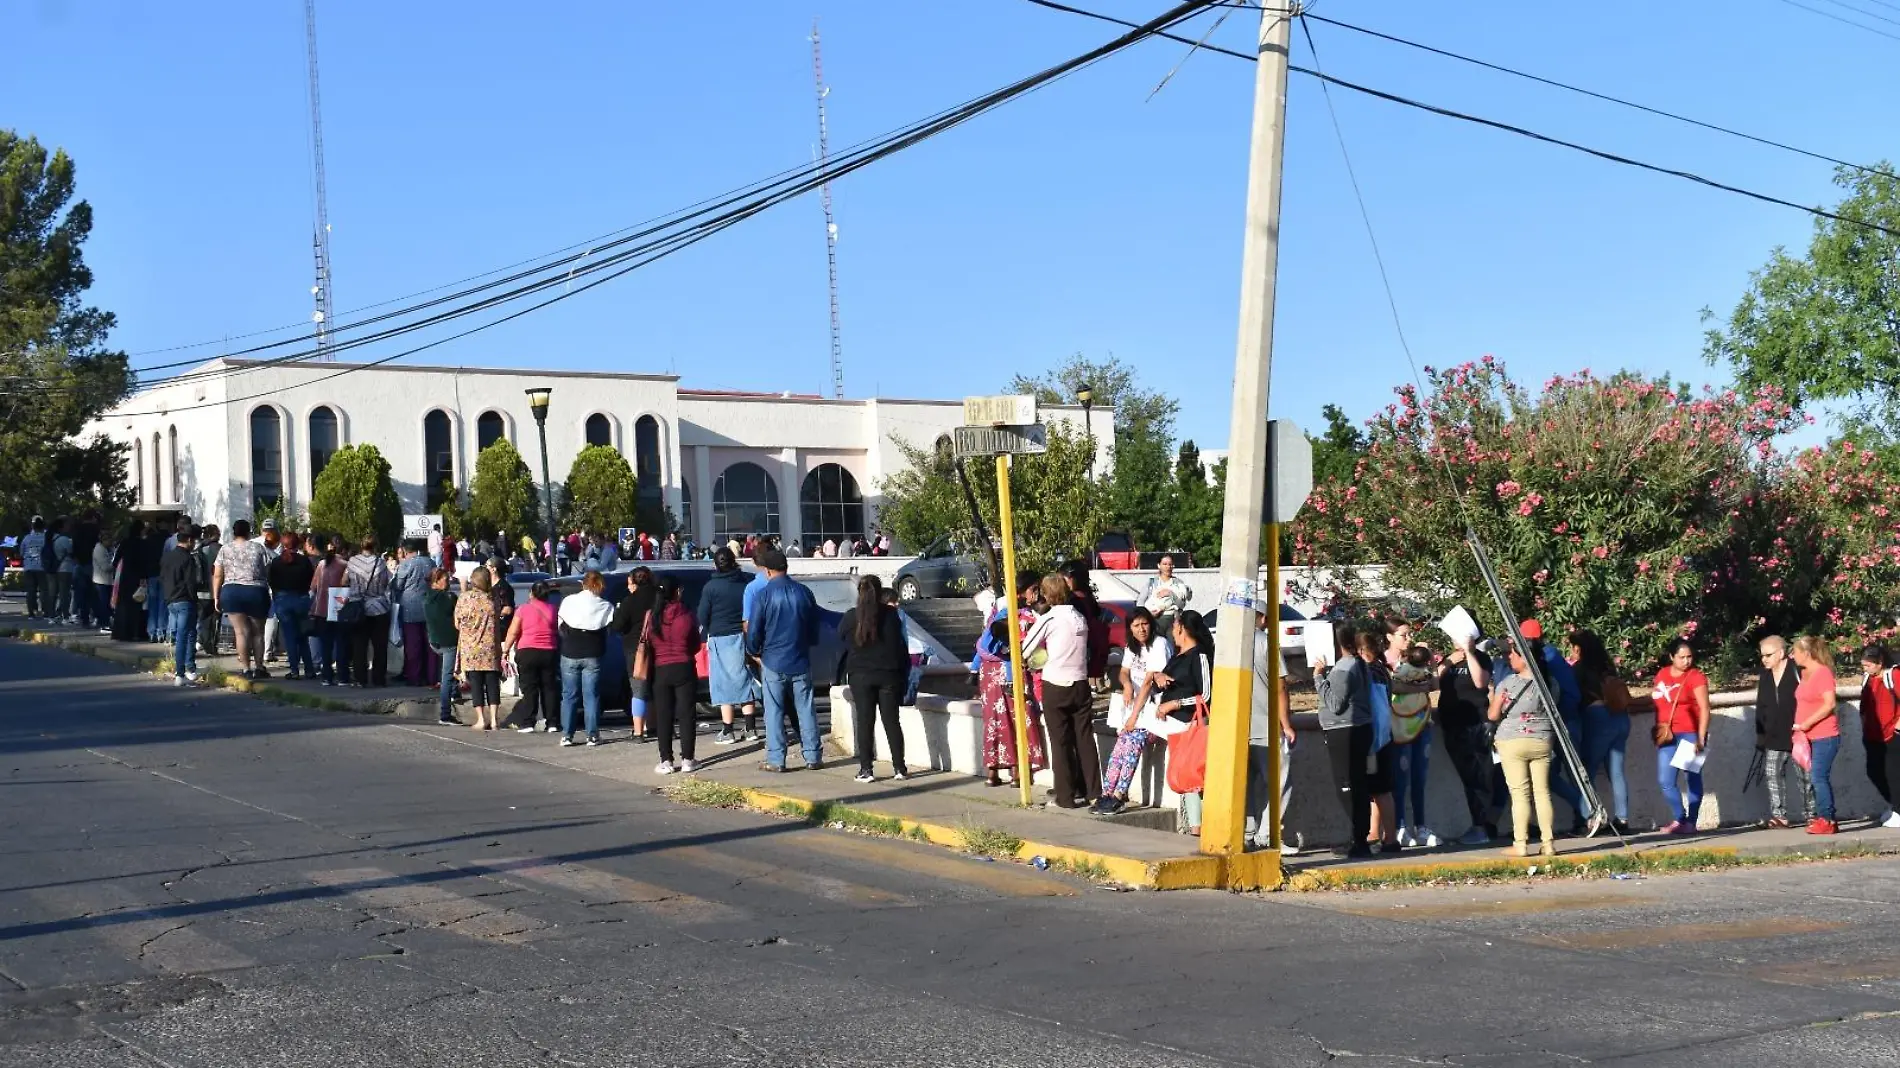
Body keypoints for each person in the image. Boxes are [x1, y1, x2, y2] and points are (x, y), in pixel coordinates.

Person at [745, 547, 823, 772]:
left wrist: (754, 651)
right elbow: (814, 628)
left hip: (772, 660)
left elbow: (755, 631)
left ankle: (777, 759)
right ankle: (813, 756)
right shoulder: (804, 592)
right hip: (800, 658)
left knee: (775, 711)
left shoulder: (764, 595)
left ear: (768, 572)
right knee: (806, 709)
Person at [1022, 573, 1097, 808]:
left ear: (1046, 594)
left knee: (1061, 742)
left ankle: (1066, 797)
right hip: (1081, 683)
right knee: (1085, 740)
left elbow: (1025, 649)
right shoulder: (1079, 617)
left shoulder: (1049, 619)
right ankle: (1093, 791)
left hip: (1056, 684)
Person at [1093, 607, 1173, 815]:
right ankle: (1106, 794)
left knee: (1133, 743)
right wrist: (1127, 685)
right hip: (1135, 709)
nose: (1141, 629)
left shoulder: (1159, 645)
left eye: (1144, 624)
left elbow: (1148, 684)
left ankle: (1120, 795)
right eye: (1136, 625)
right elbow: (1123, 672)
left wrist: (1133, 718)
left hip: (1154, 711)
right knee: (1119, 747)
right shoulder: (1132, 647)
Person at [974, 573, 1048, 788]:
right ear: (1027, 590)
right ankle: (1018, 772)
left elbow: (982, 645)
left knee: (994, 720)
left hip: (989, 673)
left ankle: (992, 772)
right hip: (1012, 670)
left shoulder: (996, 612)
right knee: (1018, 717)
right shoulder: (1021, 616)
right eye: (1035, 588)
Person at [1489, 638, 1559, 858]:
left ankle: (1520, 844)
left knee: (1519, 795)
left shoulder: (1509, 683)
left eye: (1512, 654)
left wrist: (1492, 695)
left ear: (1524, 657)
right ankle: (1548, 844)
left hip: (1512, 740)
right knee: (1542, 792)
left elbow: (1493, 715)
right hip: (1542, 740)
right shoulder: (1549, 682)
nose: (1508, 657)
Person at [1313, 622, 1377, 858]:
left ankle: (1357, 839)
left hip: (1345, 731)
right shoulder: (1356, 664)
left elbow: (1335, 704)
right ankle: (1359, 837)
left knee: (1347, 786)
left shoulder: (1344, 668)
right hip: (1357, 728)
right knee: (1357, 785)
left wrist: (1319, 678)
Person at [840, 575, 911, 783]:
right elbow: (900, 643)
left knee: (865, 721)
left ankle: (866, 769)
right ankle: (899, 767)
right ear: (880, 593)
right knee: (891, 721)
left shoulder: (851, 617)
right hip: (889, 673)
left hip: (860, 675)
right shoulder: (892, 615)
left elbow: (841, 637)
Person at [1151, 610, 1216, 835]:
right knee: (1187, 779)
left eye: (1175, 627)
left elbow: (1206, 694)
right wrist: (1158, 678)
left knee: (1194, 778)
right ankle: (1194, 826)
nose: (1172, 632)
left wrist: (1175, 704)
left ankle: (1199, 828)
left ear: (1181, 628)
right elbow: (1162, 681)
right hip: (1175, 727)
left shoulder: (1200, 656)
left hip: (1192, 724)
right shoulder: (1177, 657)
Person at [1569, 629, 1634, 836]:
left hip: (1598, 718)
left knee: (1587, 772)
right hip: (1620, 718)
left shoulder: (1579, 669)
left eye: (1573, 647)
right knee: (1616, 771)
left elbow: (1573, 696)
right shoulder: (1608, 667)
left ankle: (1590, 817)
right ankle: (1622, 819)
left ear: (1579, 648)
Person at [699, 548, 758, 744]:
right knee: (745, 680)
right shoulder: (744, 583)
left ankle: (727, 730)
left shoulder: (710, 587)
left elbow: (702, 616)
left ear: (716, 564)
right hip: (743, 635)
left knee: (723, 684)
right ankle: (750, 728)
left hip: (720, 637)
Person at [1653, 638, 1711, 834]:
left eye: (1689, 657)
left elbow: (1704, 708)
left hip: (1689, 734)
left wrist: (1701, 738)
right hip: (1668, 735)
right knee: (1665, 780)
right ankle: (1680, 818)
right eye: (1681, 657)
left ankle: (1691, 822)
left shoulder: (1696, 677)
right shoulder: (1661, 675)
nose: (1686, 661)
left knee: (1692, 778)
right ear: (1671, 657)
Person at [647, 575, 703, 775]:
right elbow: (696, 643)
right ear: (676, 592)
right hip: (684, 665)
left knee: (664, 716)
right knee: (687, 714)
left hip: (661, 668)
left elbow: (649, 644)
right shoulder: (686, 614)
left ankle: (666, 760)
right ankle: (688, 759)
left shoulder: (652, 616)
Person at [1754, 635, 1811, 829]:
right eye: (1762, 656)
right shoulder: (1765, 675)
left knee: (1805, 776)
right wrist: (1760, 734)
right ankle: (1779, 816)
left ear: (1781, 653)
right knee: (1773, 775)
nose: (1764, 659)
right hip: (1773, 734)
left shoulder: (1797, 671)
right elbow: (1761, 705)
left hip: (1798, 733)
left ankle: (1812, 814)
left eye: (1768, 655)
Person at [1388, 641, 1439, 848]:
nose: (1408, 637)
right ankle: (1400, 825)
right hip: (1400, 727)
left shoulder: (1415, 666)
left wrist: (1432, 666)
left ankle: (1421, 826)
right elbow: (1393, 685)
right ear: (1390, 636)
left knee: (1420, 778)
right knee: (1400, 780)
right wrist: (1420, 685)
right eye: (1403, 633)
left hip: (1422, 724)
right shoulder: (1385, 662)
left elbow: (1434, 685)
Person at [1790, 635, 1842, 835]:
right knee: (1815, 777)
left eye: (1795, 651)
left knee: (1819, 777)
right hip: (1808, 736)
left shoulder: (1823, 673)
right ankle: (1823, 818)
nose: (1792, 656)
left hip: (1825, 735)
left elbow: (1829, 704)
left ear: (1806, 653)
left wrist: (1807, 723)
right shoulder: (1804, 674)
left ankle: (1827, 819)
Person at [557, 569, 614, 746]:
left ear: (583, 583)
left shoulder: (569, 601)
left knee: (569, 695)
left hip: (570, 650)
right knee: (591, 695)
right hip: (593, 652)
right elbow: (609, 629)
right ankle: (592, 734)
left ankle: (567, 734)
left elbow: (561, 625)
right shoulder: (605, 605)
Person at [213, 520, 274, 680]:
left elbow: (218, 574)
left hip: (232, 591)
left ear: (233, 532)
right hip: (255, 590)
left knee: (241, 632)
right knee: (258, 632)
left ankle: (246, 668)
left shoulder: (225, 549)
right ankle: (259, 667)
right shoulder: (258, 548)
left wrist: (216, 596)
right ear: (249, 532)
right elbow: (267, 570)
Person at [503, 581, 560, 732]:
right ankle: (552, 722)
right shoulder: (553, 609)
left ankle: (528, 721)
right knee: (549, 688)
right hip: (549, 650)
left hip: (527, 650)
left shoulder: (523, 609)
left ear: (532, 594)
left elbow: (513, 631)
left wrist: (505, 650)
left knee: (529, 688)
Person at [612, 566, 659, 741]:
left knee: (638, 689)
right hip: (660, 647)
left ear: (634, 581)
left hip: (636, 649)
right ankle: (655, 726)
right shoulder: (660, 597)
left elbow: (617, 626)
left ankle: (639, 731)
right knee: (656, 688)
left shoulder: (629, 602)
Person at [455, 567, 504, 730]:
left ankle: (481, 720)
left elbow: (457, 623)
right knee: (492, 683)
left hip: (471, 648)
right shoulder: (492, 600)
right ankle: (495, 720)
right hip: (490, 647)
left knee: (476, 684)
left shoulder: (465, 598)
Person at [1858, 644, 1900, 830]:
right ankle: (1894, 806)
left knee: (1893, 774)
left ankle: (1898, 811)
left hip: (1892, 734)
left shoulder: (1894, 676)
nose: (1865, 669)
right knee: (1874, 771)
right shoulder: (1868, 679)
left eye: (1868, 665)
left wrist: (1898, 727)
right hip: (1872, 735)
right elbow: (1865, 704)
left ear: (1880, 662)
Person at [158, 524, 205, 686]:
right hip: (185, 599)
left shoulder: (167, 557)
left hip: (171, 599)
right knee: (185, 636)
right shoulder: (188, 558)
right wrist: (195, 600)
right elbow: (190, 582)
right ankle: (182, 671)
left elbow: (163, 578)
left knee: (186, 633)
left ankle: (188, 669)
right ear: (190, 540)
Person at [343, 535, 394, 687]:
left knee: (359, 646)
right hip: (379, 608)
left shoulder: (352, 562)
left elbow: (343, 581)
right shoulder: (381, 563)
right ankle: (379, 678)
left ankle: (360, 678)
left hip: (358, 608)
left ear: (361, 545)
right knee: (380, 646)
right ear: (376, 546)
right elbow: (385, 583)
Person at [268, 532, 316, 681]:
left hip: (283, 600)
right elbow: (311, 580)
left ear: (283, 544)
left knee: (289, 636)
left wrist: (277, 595)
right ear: (298, 544)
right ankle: (309, 669)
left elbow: (271, 581)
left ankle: (294, 670)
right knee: (302, 636)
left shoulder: (276, 562)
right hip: (301, 599)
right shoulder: (305, 561)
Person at [391, 540, 437, 687]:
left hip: (409, 608)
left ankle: (414, 677)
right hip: (428, 606)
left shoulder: (406, 564)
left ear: (405, 551)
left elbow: (398, 585)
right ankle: (431, 676)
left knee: (413, 645)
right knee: (430, 645)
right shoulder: (430, 562)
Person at [307, 535, 350, 686]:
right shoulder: (345, 565)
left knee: (326, 645)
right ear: (343, 549)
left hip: (322, 608)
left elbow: (313, 587)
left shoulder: (322, 564)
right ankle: (343, 677)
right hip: (340, 607)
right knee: (341, 643)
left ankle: (326, 677)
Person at [423, 568, 460, 725]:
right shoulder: (448, 598)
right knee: (447, 677)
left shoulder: (426, 597)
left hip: (434, 641)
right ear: (436, 581)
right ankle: (445, 714)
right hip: (448, 642)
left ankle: (454, 692)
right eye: (445, 578)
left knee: (448, 673)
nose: (448, 580)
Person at [109, 519, 150, 642]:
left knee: (123, 606)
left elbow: (116, 561)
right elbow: (143, 562)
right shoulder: (142, 544)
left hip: (125, 576)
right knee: (136, 605)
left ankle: (121, 632)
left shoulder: (125, 542)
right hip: (137, 577)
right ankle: (135, 632)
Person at [1140, 555, 1191, 636]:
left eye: (1170, 564)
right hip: (1154, 621)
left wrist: (1170, 594)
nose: (1168, 567)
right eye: (1165, 564)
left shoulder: (1179, 583)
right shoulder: (1151, 583)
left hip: (1173, 621)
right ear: (1159, 565)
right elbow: (1140, 603)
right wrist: (1149, 614)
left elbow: (1181, 605)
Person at [195, 525, 222, 654]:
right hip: (218, 589)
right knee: (215, 619)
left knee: (203, 618)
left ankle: (203, 641)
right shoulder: (221, 549)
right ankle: (211, 644)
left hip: (202, 589)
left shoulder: (200, 549)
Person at [259, 519, 283, 662]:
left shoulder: (254, 543)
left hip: (256, 588)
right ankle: (267, 651)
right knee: (270, 619)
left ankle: (260, 651)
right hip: (269, 589)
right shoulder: (276, 553)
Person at [18, 515, 48, 619]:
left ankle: (32, 612)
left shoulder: (27, 538)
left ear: (32, 526)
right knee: (44, 590)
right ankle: (45, 611)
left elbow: (21, 552)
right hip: (42, 567)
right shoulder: (46, 537)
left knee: (31, 591)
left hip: (29, 567)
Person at [47, 517, 73, 625]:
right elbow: (71, 552)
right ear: (61, 527)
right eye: (66, 525)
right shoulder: (64, 540)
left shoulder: (49, 538)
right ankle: (65, 617)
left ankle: (52, 616)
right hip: (64, 568)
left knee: (53, 593)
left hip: (52, 568)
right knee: (64, 594)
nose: (68, 527)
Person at [90, 525, 116, 634]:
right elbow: (106, 567)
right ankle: (104, 624)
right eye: (109, 540)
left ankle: (106, 622)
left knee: (107, 603)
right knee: (103, 603)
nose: (111, 542)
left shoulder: (108, 549)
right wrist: (115, 564)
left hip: (108, 581)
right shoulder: (99, 550)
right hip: (101, 581)